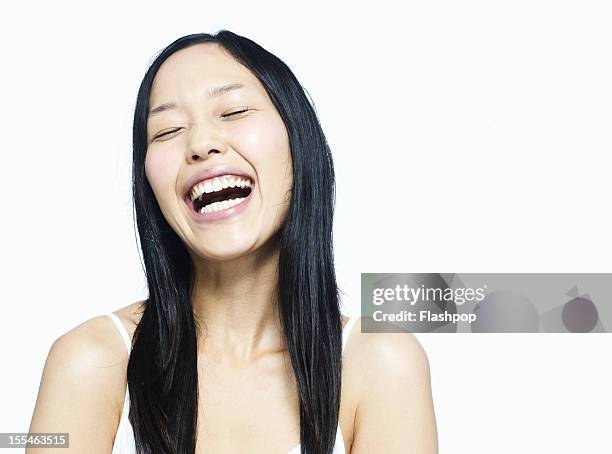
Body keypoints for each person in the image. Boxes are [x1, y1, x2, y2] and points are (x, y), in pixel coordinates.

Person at [28, 30, 438, 453]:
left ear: (299, 141)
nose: (201, 145)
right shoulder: (90, 361)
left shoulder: (382, 365)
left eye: (233, 111)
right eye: (167, 131)